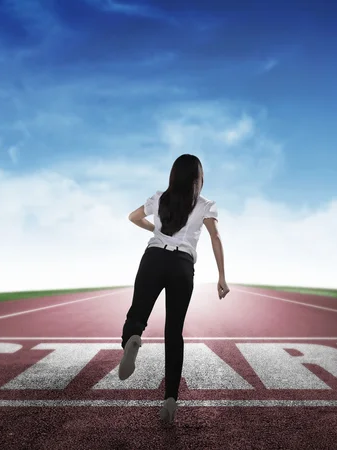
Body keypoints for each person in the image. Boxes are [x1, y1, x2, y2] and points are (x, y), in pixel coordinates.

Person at [118, 153, 230, 425]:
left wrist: (153, 230)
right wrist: (222, 276)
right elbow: (215, 237)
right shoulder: (204, 205)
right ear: (198, 179)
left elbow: (132, 217)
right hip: (182, 264)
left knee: (137, 314)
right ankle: (170, 399)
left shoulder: (159, 198)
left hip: (154, 257)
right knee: (174, 331)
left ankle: (132, 339)